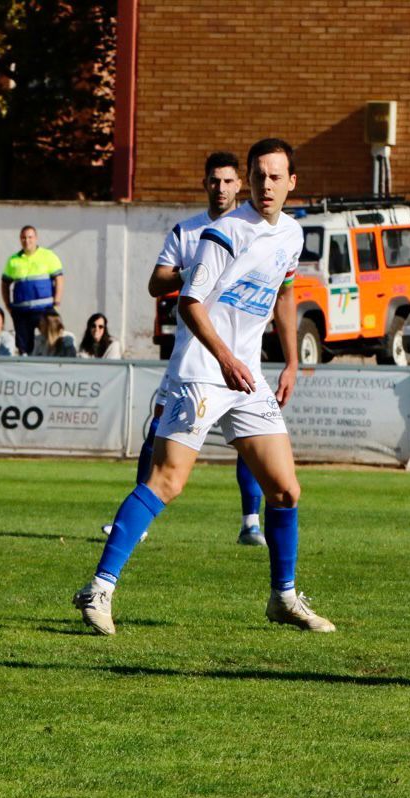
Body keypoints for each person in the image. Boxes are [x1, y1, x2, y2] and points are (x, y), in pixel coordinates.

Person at [73, 138, 335, 636]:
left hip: (247, 376)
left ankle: (283, 598)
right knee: (167, 481)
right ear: (249, 181)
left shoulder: (293, 235)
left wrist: (291, 363)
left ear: (292, 182)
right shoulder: (224, 233)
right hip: (201, 372)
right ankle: (99, 588)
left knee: (284, 490)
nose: (266, 185)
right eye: (259, 176)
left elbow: (284, 295)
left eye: (276, 176)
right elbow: (188, 304)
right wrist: (226, 357)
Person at [120, 151, 268, 547]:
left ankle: (251, 522)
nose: (221, 188)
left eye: (228, 181)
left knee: (250, 440)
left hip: (237, 354)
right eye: (214, 181)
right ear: (205, 184)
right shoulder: (187, 232)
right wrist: (192, 270)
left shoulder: (255, 231)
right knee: (158, 430)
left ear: (240, 184)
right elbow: (155, 284)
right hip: (189, 355)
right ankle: (140, 521)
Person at [1, 225, 64, 355]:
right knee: (24, 348)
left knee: (52, 342)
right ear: (20, 239)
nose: (27, 240)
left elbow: (59, 279)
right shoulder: (13, 260)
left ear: (36, 238)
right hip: (22, 312)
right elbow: (5, 283)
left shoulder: (48, 256)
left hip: (45, 310)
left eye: (30, 237)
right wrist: (8, 305)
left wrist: (56, 303)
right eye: (23, 237)